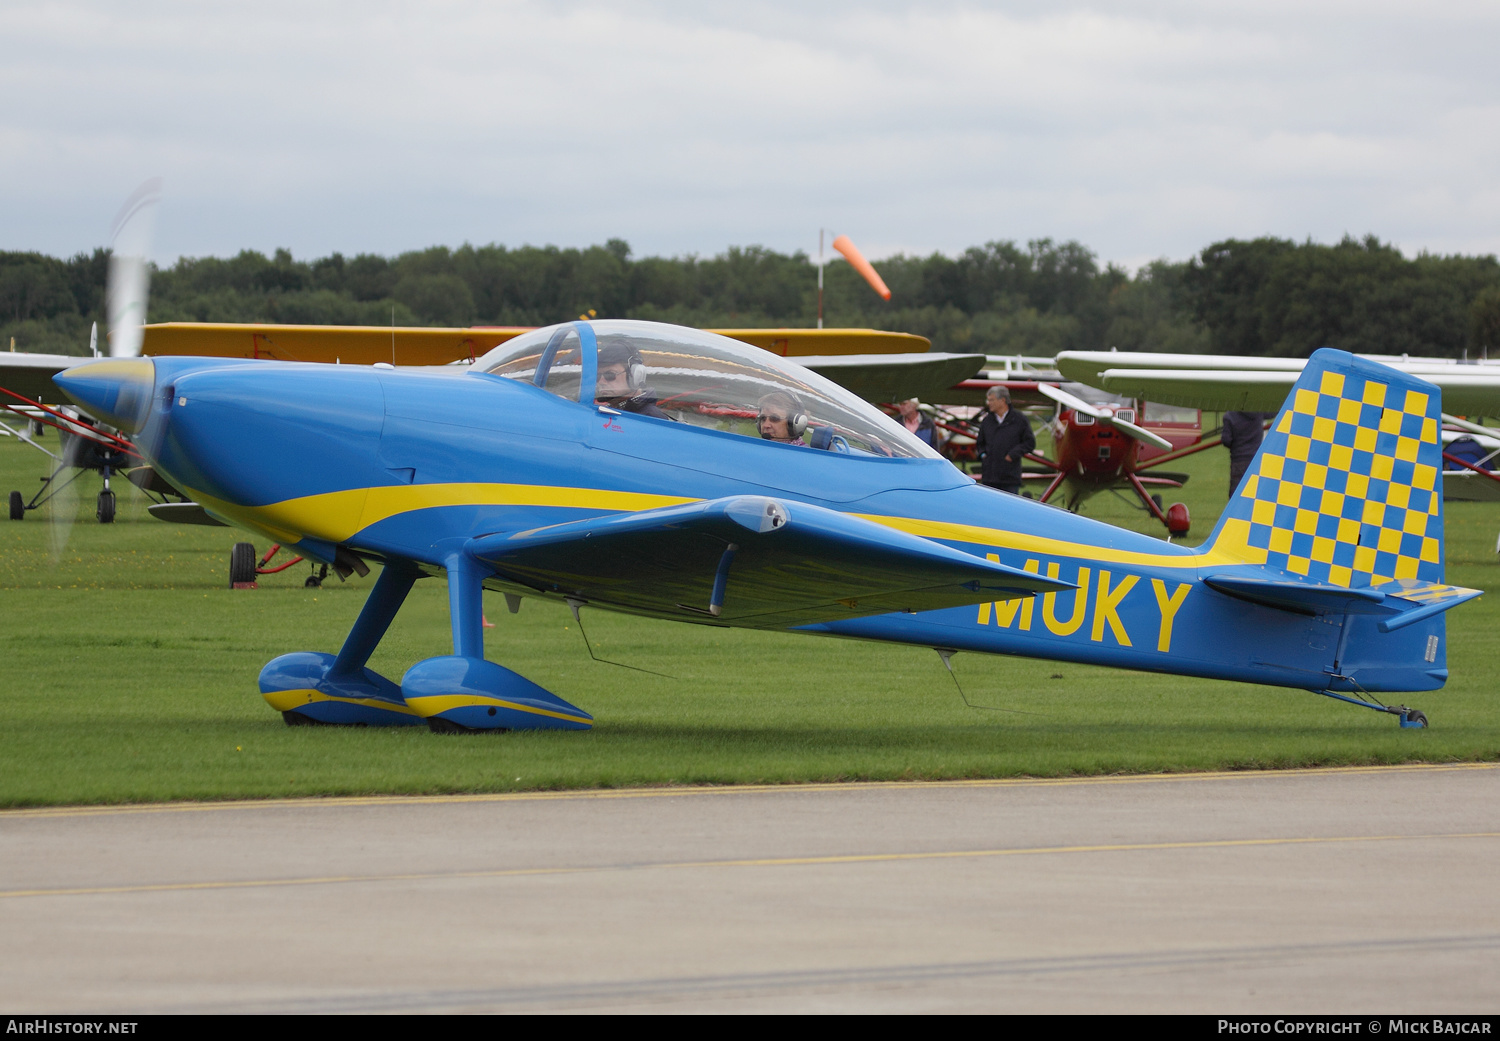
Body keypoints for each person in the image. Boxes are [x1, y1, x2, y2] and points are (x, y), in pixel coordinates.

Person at [975, 385, 1034, 494]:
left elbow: (1029, 443)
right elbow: (980, 444)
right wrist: (983, 455)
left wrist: (1012, 455)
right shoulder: (986, 421)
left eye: (991, 400)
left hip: (1010, 478)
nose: (989, 403)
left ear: (1002, 400)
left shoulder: (1019, 420)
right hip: (989, 478)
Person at [595, 340, 671, 420]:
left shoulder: (652, 419)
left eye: (610, 375)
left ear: (635, 375)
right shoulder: (606, 411)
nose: (601, 382)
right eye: (598, 376)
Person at [1221, 411, 1271, 496]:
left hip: (1239, 460)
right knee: (1256, 494)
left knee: (1236, 495)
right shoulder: (1258, 413)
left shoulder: (1229, 416)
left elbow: (1226, 440)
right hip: (1256, 460)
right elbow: (1272, 413)